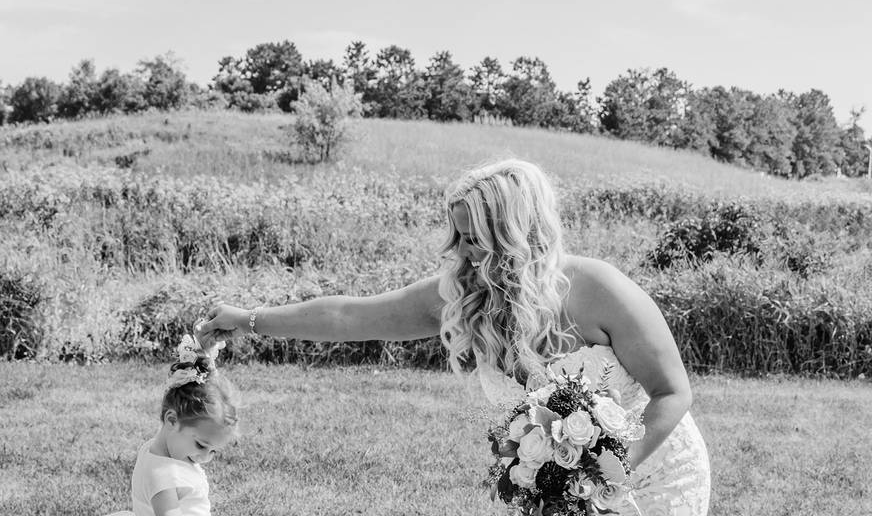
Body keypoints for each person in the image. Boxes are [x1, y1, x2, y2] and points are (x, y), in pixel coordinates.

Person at [197, 158, 711, 515]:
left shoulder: (598, 288)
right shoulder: (461, 295)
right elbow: (348, 317)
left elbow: (672, 392)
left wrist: (601, 478)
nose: (461, 252)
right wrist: (247, 318)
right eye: (458, 236)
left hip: (656, 473)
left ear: (514, 231)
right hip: (560, 490)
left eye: (474, 238)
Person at [112, 334, 240, 516]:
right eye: (201, 445)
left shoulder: (155, 449)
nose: (205, 458)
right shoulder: (164, 477)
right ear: (171, 420)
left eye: (213, 451)